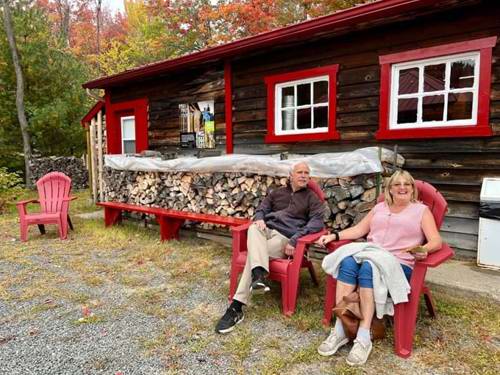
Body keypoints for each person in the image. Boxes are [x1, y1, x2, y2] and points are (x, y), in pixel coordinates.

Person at [316, 170, 442, 366]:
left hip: (398, 263)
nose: (402, 187)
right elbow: (359, 230)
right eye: (397, 184)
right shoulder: (379, 208)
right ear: (389, 189)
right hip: (371, 252)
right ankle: (341, 328)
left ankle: (364, 337)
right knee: (348, 262)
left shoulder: (421, 211)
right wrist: (335, 236)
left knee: (369, 267)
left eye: (407, 184)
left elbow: (436, 241)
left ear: (412, 189)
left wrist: (424, 249)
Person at [215, 161, 325, 334]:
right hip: (266, 231)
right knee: (253, 227)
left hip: (284, 238)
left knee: (254, 254)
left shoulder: (312, 198)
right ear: (291, 176)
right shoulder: (277, 193)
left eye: (306, 173)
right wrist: (259, 217)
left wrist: (295, 239)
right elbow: (261, 209)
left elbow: (317, 222)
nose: (304, 175)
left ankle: (236, 307)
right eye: (300, 172)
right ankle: (258, 275)